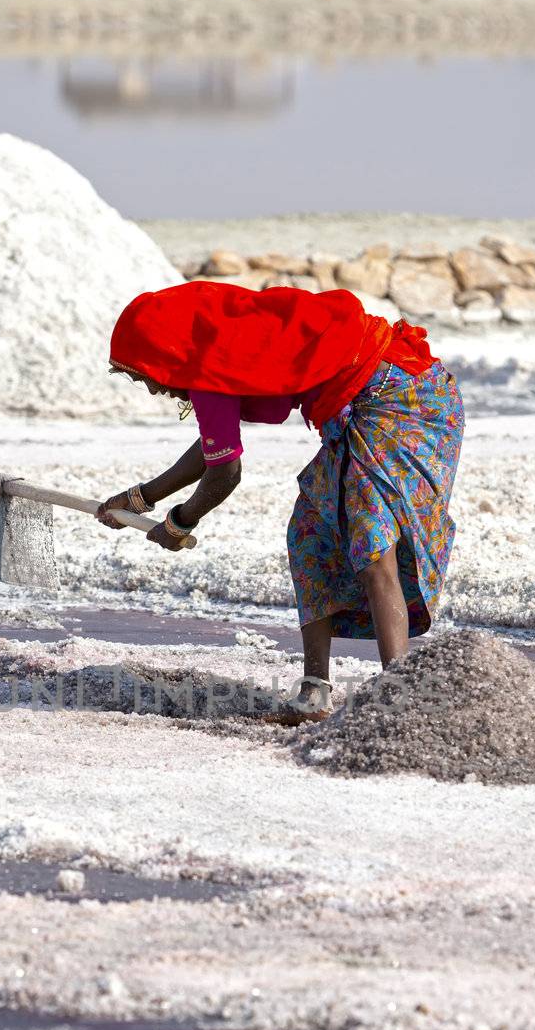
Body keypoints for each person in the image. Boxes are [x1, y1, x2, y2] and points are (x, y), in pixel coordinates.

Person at [98, 280, 464, 720]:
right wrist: (139, 500)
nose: (153, 388)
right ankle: (315, 693)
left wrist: (179, 522)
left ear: (166, 354)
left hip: (403, 401)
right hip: (357, 408)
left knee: (373, 542)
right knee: (310, 533)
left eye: (144, 374)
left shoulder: (209, 370)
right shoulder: (214, 353)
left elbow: (224, 472)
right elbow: (214, 448)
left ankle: (398, 697)